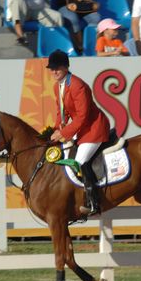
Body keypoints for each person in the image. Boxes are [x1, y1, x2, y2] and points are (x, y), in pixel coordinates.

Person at [48, 50, 111, 216]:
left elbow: (82, 117)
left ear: (66, 68)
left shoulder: (78, 86)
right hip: (80, 129)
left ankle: (93, 202)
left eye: (57, 68)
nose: (54, 72)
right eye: (52, 69)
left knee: (80, 161)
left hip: (94, 128)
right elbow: (61, 112)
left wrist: (64, 133)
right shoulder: (57, 86)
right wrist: (56, 129)